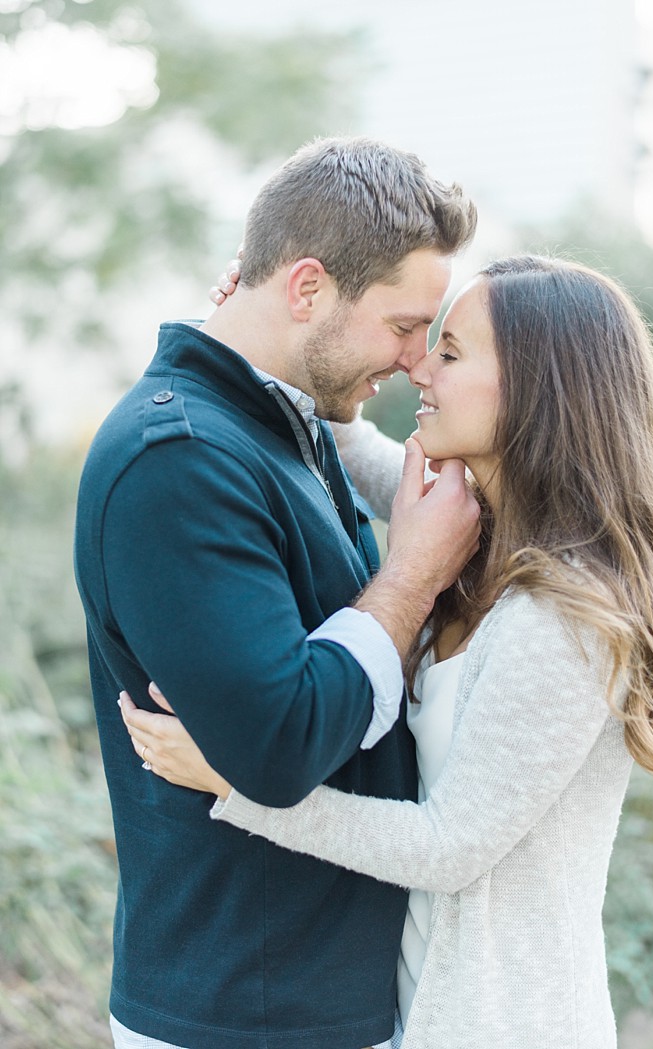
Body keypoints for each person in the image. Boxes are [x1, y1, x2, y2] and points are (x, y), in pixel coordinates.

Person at [121, 254, 653, 1049]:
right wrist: (261, 331)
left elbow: (449, 847)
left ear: (539, 391)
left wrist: (237, 781)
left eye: (451, 353)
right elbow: (351, 444)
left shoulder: (567, 616)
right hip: (417, 1015)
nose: (420, 366)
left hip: (504, 1026)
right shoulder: (478, 533)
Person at [73, 135, 481, 1049]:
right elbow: (281, 743)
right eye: (407, 325)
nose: (418, 361)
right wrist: (409, 576)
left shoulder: (283, 422)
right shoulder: (179, 459)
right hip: (246, 1011)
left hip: (304, 1001)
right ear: (306, 290)